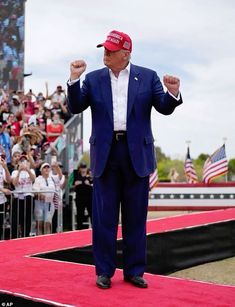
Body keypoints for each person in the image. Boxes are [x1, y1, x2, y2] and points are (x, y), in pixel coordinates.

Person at [67, 30, 183, 289]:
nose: (105, 53)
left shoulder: (148, 76)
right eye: (104, 49)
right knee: (104, 218)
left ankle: (134, 270)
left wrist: (173, 93)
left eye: (110, 49)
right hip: (106, 155)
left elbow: (163, 106)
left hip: (136, 155)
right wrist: (74, 80)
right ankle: (104, 271)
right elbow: (76, 106)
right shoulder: (93, 79)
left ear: (126, 54)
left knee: (135, 217)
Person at [11, 154, 36, 238]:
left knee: (27, 219)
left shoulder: (31, 171)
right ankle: (15, 237)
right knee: (16, 219)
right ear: (18, 163)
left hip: (28, 197)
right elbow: (14, 183)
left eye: (25, 160)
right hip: (18, 198)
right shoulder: (14, 172)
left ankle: (26, 237)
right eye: (21, 161)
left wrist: (27, 169)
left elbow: (33, 179)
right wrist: (19, 171)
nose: (23, 162)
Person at [33, 163, 56, 235]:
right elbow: (34, 189)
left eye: (48, 167)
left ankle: (48, 241)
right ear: (41, 170)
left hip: (49, 203)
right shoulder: (38, 179)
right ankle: (39, 240)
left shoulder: (52, 179)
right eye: (44, 167)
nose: (46, 168)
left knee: (48, 223)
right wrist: (40, 194)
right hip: (40, 203)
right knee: (39, 223)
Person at [72, 162, 93, 229]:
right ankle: (79, 229)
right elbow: (72, 186)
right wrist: (75, 184)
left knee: (92, 213)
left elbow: (95, 186)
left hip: (89, 197)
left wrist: (89, 184)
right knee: (80, 214)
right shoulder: (76, 175)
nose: (83, 169)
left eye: (84, 168)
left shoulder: (90, 176)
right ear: (80, 169)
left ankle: (94, 229)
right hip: (80, 197)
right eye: (82, 168)